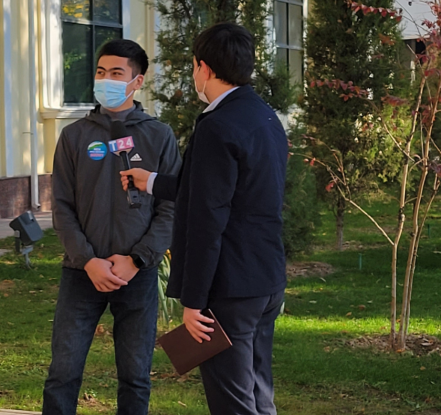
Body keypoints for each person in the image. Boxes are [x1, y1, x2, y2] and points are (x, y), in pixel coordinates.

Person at [121, 23, 288, 415]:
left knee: (233, 401)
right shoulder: (264, 117)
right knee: (259, 392)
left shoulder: (217, 126)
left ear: (204, 68)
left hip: (227, 287)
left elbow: (207, 219)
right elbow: (224, 190)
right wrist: (153, 182)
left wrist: (194, 302)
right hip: (264, 278)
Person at [44, 39, 180, 415]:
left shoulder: (158, 136)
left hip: (136, 275)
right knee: (63, 373)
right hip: (81, 273)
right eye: (101, 73)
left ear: (137, 81)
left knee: (135, 376)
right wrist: (87, 260)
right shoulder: (74, 136)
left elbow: (171, 208)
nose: (106, 80)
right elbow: (62, 206)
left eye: (117, 73)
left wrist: (137, 259)